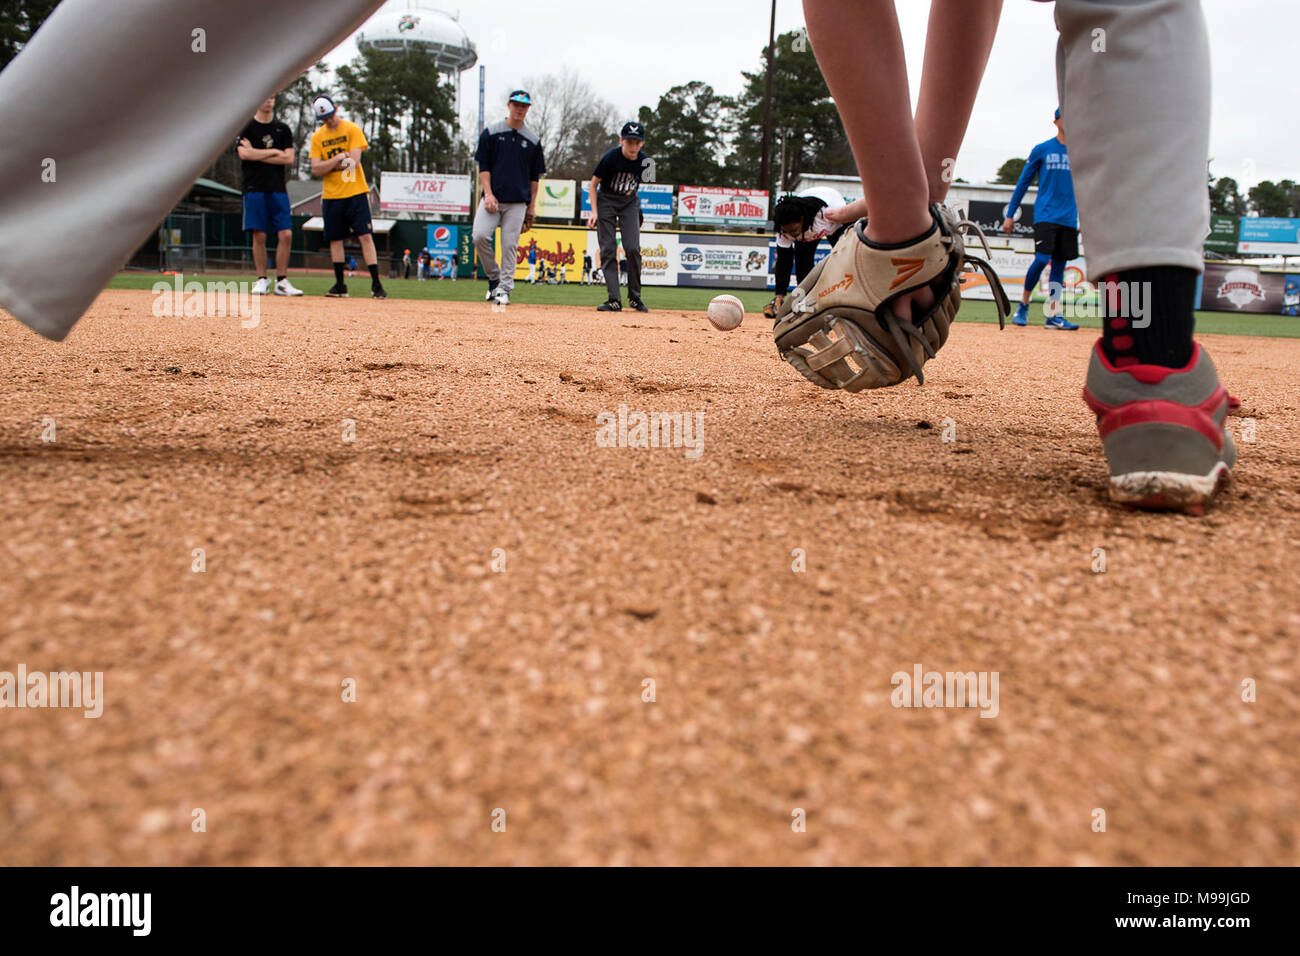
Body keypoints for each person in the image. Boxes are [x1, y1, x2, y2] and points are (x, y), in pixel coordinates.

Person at [797, 0, 1231, 514]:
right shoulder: (1044, 150)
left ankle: (1087, 325)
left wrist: (904, 222)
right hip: (1061, 218)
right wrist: (913, 207)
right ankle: (1152, 363)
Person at [1002, 108, 1080, 329]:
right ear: (1056, 121)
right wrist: (1010, 214)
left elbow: (1087, 186)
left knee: (1059, 265)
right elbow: (1023, 183)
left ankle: (1053, 315)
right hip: (1046, 214)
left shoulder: (1080, 151)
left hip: (1068, 217)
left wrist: (1082, 218)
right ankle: (1023, 304)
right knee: (1041, 259)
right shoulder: (1043, 149)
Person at [309, 93, 386, 298]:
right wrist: (337, 159)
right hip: (331, 195)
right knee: (335, 239)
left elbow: (354, 162)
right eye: (324, 118)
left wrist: (329, 164)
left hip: (355, 191)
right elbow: (315, 169)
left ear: (336, 109)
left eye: (331, 115)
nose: (329, 120)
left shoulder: (352, 129)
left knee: (365, 236)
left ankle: (376, 284)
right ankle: (340, 285)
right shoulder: (318, 137)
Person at [473, 89, 545, 307]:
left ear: (528, 109)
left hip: (517, 202)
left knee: (509, 245)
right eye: (516, 105)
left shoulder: (532, 140)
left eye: (524, 106)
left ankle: (504, 289)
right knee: (479, 236)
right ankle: (494, 277)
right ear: (509, 105)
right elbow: (483, 166)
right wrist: (488, 193)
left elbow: (535, 178)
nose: (520, 109)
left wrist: (531, 207)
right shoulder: (492, 132)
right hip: (492, 198)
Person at [236, 95, 303, 296]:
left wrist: (257, 153)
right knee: (260, 235)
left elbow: (289, 158)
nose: (269, 100)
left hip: (278, 189)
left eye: (273, 96)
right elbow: (244, 155)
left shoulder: (283, 129)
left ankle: (282, 281)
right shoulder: (246, 127)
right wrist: (274, 153)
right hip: (254, 188)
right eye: (265, 96)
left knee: (286, 234)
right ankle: (262, 279)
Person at [586, 121, 650, 312]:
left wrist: (636, 211)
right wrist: (595, 213)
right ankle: (614, 299)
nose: (633, 146)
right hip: (606, 201)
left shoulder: (645, 161)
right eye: (629, 142)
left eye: (636, 143)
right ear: (621, 140)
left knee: (633, 249)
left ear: (642, 144)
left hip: (629, 203)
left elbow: (638, 187)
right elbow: (592, 184)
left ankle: (635, 297)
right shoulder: (610, 158)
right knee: (608, 248)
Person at [763, 187, 849, 318]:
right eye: (787, 231)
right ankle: (806, 303)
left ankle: (846, 303)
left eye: (794, 230)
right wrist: (779, 294)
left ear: (803, 219)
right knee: (803, 266)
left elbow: (851, 224)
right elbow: (783, 261)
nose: (791, 234)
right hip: (808, 230)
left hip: (836, 221)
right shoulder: (784, 231)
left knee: (844, 259)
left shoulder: (827, 214)